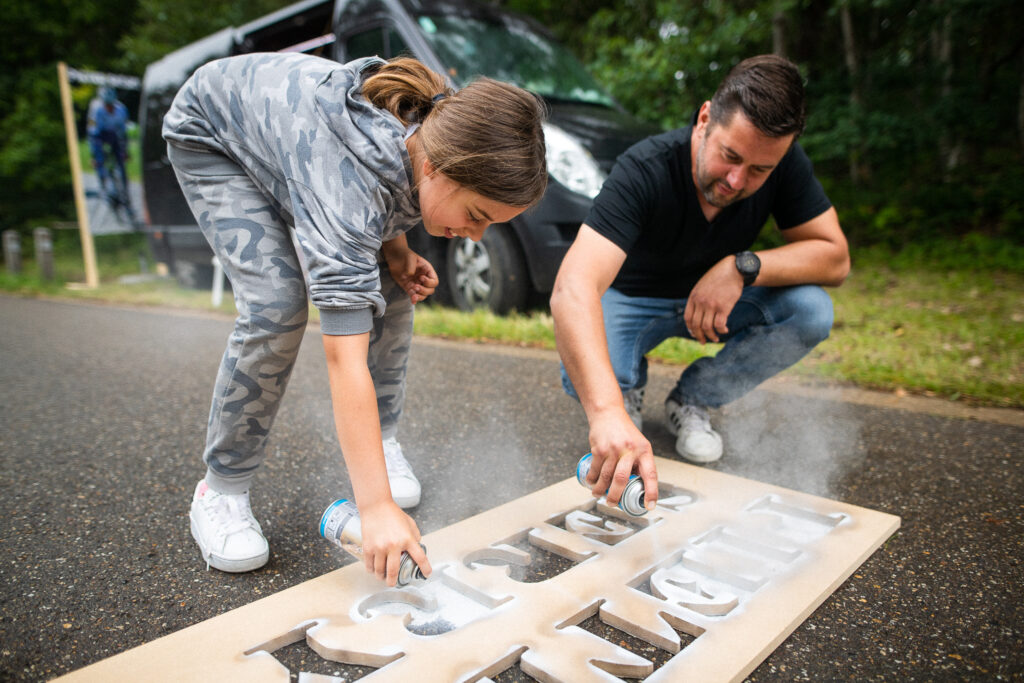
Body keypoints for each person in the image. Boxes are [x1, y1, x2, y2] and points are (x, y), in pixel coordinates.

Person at [163, 53, 547, 584]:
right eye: (477, 216)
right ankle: (221, 489)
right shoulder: (346, 186)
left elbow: (389, 184)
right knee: (277, 305)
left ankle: (381, 443)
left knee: (392, 284)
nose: (477, 236)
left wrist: (396, 249)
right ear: (437, 167)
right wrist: (375, 509)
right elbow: (345, 358)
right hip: (215, 137)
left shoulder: (440, 129)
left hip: (300, 149)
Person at [550, 54, 849, 510]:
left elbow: (835, 258)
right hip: (633, 299)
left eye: (759, 171)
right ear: (705, 118)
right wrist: (606, 411)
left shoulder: (781, 163)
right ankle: (624, 397)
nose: (736, 180)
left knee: (811, 310)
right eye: (730, 156)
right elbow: (573, 286)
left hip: (724, 301)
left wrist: (741, 267)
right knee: (588, 368)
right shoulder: (644, 168)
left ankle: (694, 400)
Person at [87, 86, 132, 213]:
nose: (109, 108)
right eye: (107, 105)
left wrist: (125, 151)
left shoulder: (121, 109)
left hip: (115, 134)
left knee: (121, 161)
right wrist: (94, 156)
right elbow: (93, 132)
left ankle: (124, 192)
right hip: (99, 135)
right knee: (100, 159)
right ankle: (104, 183)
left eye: (111, 105)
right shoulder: (96, 109)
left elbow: (124, 132)